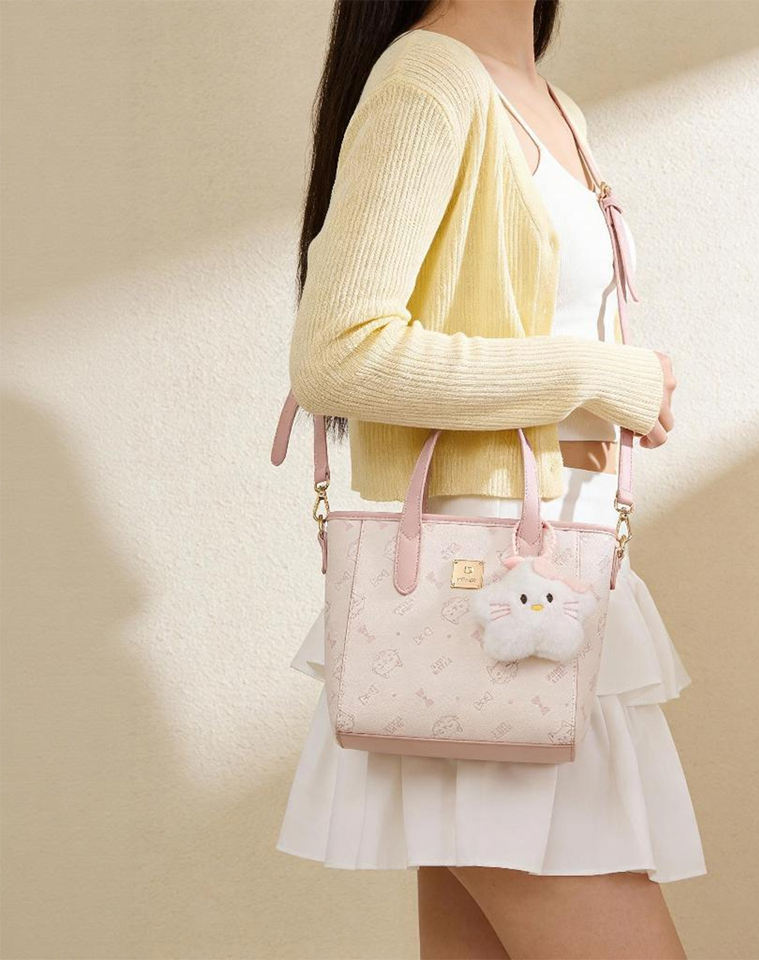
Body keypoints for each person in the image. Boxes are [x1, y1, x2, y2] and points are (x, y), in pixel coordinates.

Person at [275, 2, 706, 957]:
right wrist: (595, 375)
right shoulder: (428, 78)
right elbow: (337, 353)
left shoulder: (549, 103)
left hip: (556, 572)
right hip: (491, 598)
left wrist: (598, 399)